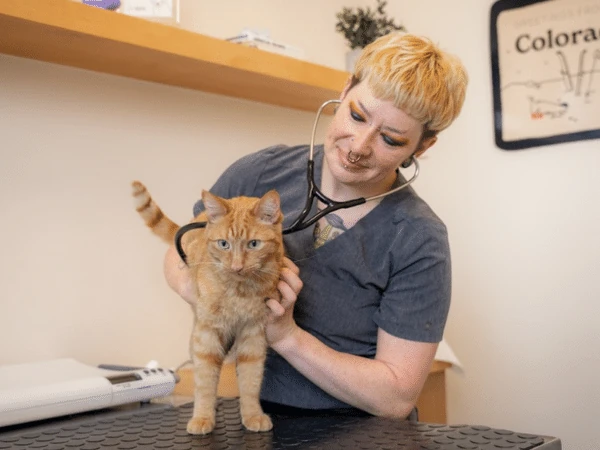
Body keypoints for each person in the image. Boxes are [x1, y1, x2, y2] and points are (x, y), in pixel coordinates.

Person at [164, 31, 468, 419]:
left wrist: (286, 336)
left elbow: (395, 398)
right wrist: (209, 295)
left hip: (355, 431)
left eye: (390, 139)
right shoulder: (261, 172)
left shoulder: (418, 237)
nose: (359, 146)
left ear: (422, 148)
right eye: (357, 116)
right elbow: (177, 255)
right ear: (344, 91)